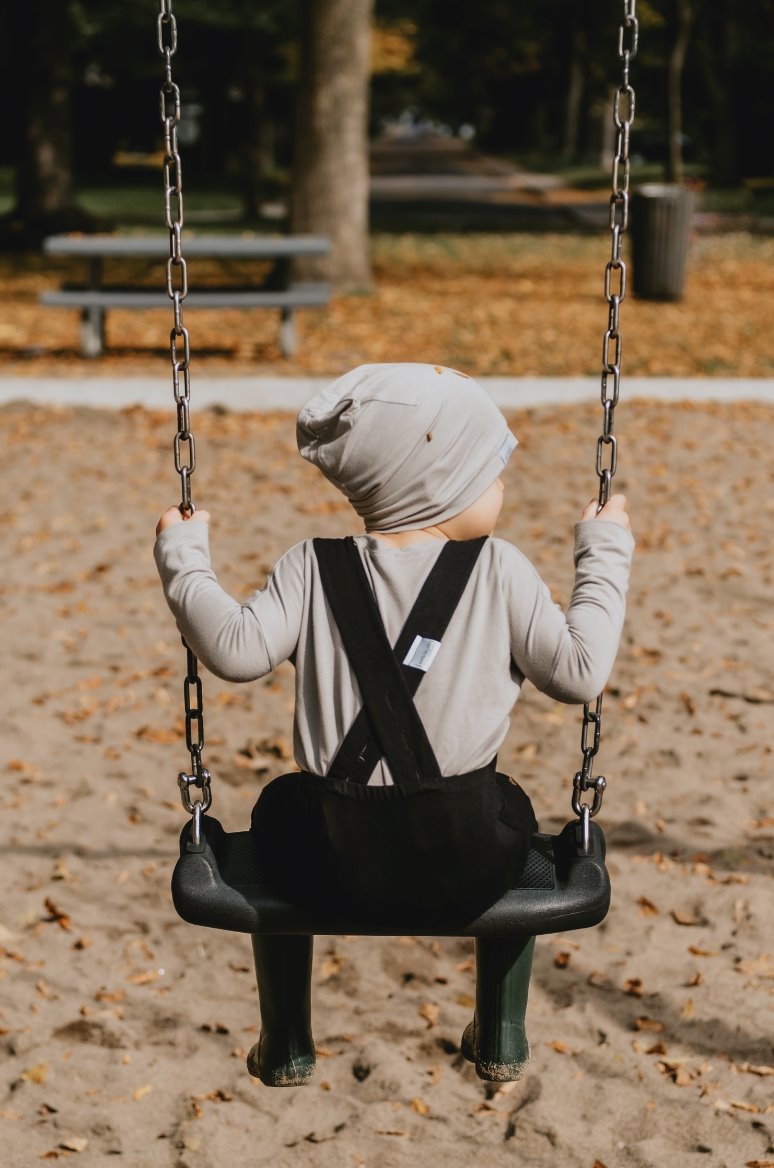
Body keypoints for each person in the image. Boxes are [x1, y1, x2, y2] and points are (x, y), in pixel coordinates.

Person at [154, 362, 634, 1088]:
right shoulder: (500, 571)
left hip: (324, 861)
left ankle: (286, 1032)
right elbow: (579, 673)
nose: (501, 488)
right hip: (466, 862)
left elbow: (232, 651)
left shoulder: (310, 567)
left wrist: (185, 559)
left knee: (281, 802)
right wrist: (603, 552)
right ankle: (502, 1027)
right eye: (488, 473)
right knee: (513, 813)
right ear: (436, 481)